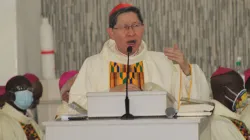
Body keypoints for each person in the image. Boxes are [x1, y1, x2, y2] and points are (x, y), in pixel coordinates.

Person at [69, 3, 211, 110]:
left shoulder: (161, 61)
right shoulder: (93, 64)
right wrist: (109, 93)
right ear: (111, 33)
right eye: (125, 27)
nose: (131, 32)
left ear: (143, 28)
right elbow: (75, 106)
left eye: (136, 25)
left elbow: (187, 103)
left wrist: (186, 69)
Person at [209, 67, 250, 140]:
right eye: (239, 87)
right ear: (225, 91)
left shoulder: (232, 120)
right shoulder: (219, 125)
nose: (243, 92)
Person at [0, 75, 44, 140]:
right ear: (11, 95)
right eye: (22, 89)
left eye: (30, 90)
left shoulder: (29, 122)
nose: (28, 96)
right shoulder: (3, 121)